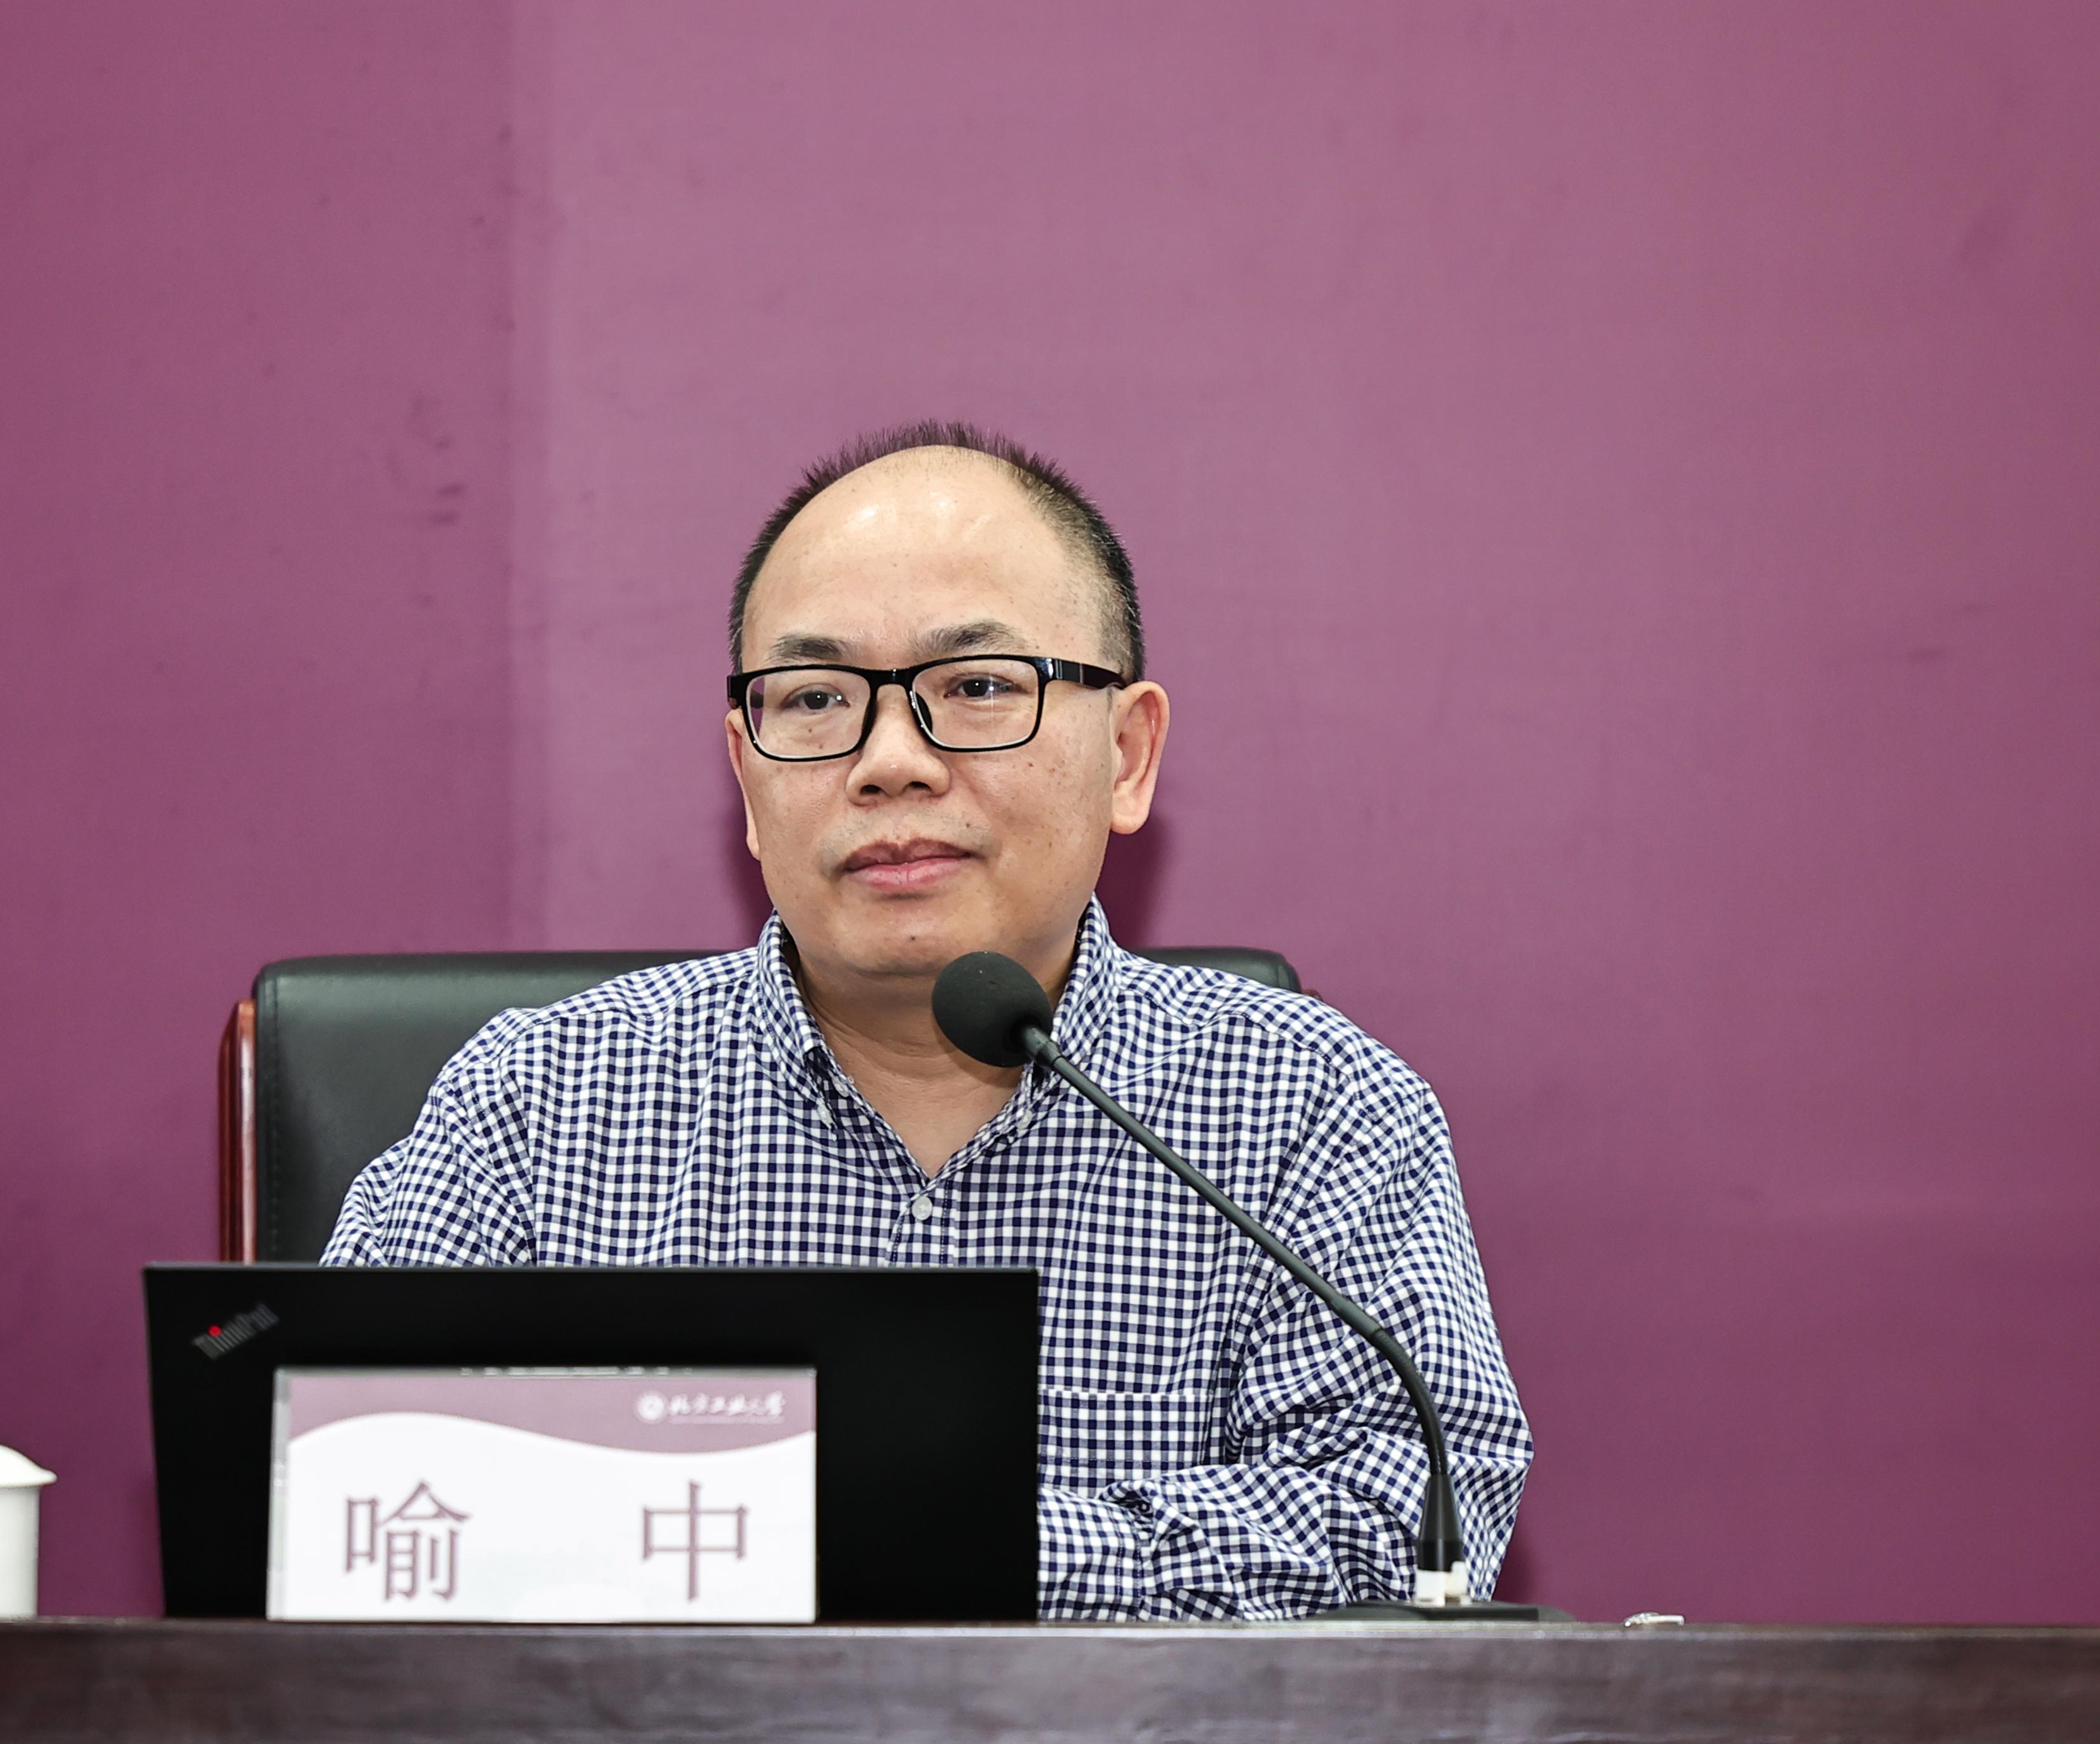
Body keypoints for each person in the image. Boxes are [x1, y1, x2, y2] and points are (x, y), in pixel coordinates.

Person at [323, 421, 1533, 1619]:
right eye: (815, 699)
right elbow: (338, 1493)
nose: (890, 762)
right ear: (745, 775)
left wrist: (895, 1544)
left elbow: (1404, 1539)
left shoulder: (1314, 1110)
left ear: (1126, 754)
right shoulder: (538, 1106)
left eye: (978, 687)